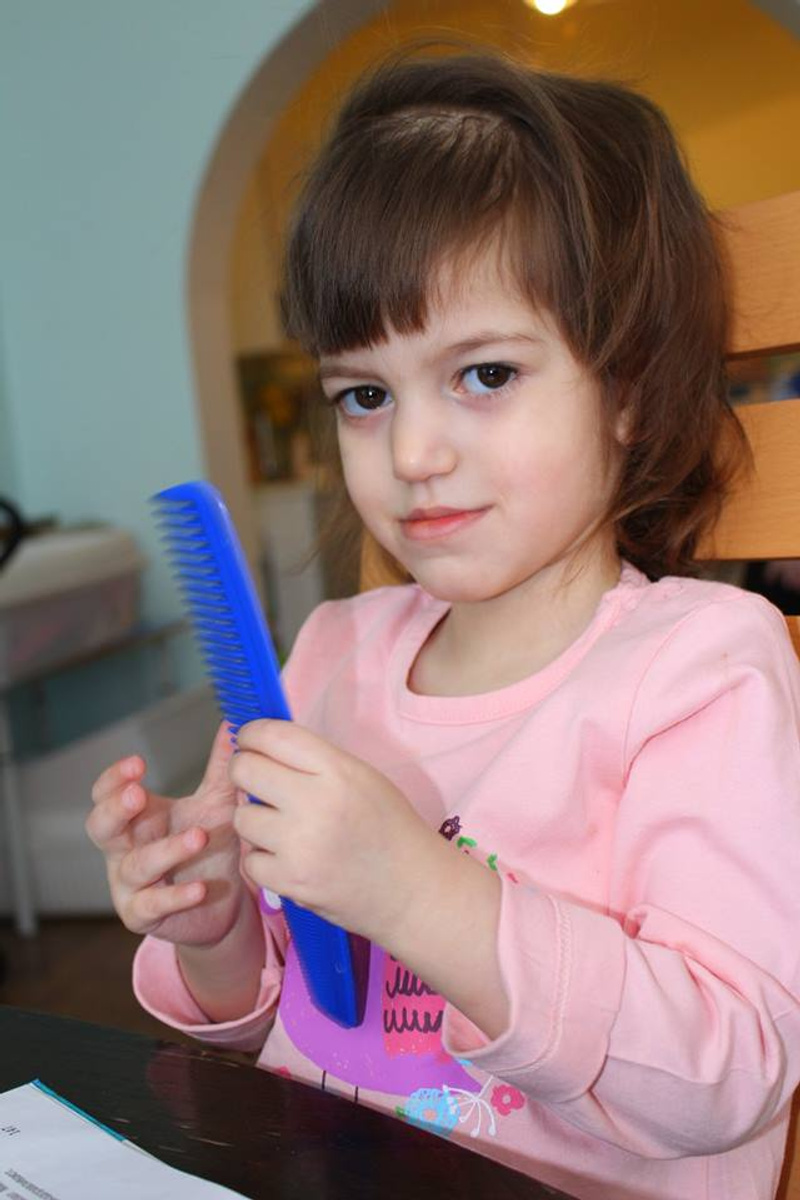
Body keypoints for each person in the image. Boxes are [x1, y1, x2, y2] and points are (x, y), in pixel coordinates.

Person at [86, 51, 800, 1200]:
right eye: (364, 395)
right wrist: (217, 926)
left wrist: (417, 890)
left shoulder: (700, 668)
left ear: (624, 390)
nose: (412, 453)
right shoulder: (329, 654)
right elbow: (278, 1028)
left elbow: (728, 1076)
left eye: (483, 375)